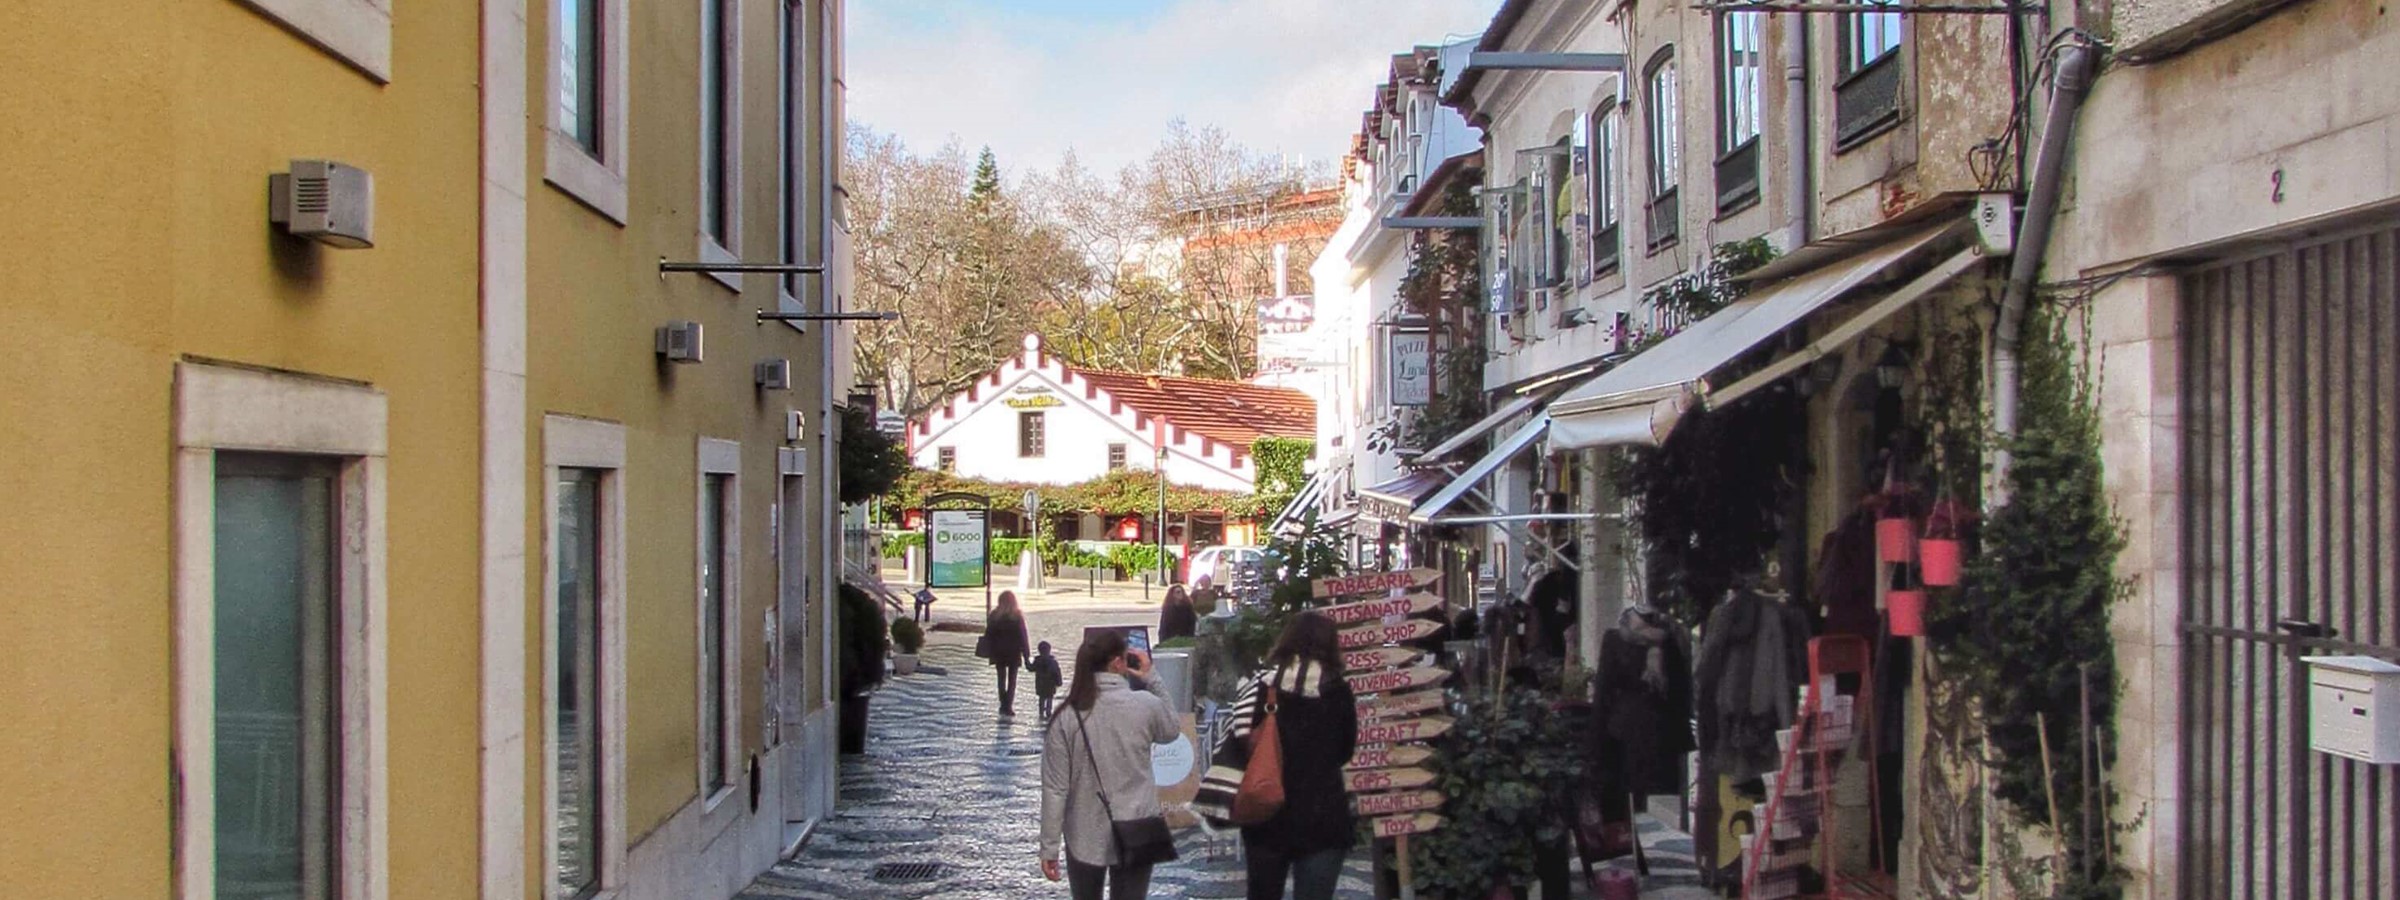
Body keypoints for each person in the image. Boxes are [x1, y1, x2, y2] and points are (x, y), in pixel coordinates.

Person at [1040, 630, 1181, 900]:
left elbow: (1055, 789)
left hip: (1083, 832)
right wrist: (1152, 678)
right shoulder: (1145, 705)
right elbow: (1172, 729)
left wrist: (1049, 848)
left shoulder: (1066, 717)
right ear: (1118, 663)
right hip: (1137, 824)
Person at [1237, 613, 1358, 900]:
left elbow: (1239, 741)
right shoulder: (1337, 692)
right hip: (1323, 818)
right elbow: (1346, 750)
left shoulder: (1261, 688)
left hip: (1266, 813)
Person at [987, 591, 1034, 718]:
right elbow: (1023, 637)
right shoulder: (1017, 616)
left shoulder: (994, 615)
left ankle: (1003, 704)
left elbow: (988, 634)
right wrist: (1026, 656)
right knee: (1012, 680)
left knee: (1001, 679)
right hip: (1013, 652)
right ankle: (1008, 706)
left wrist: (990, 650)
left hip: (998, 652)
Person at [1030, 640, 1064, 722]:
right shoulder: (1053, 662)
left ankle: (1041, 713)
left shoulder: (1037, 661)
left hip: (1041, 684)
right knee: (1049, 699)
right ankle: (1048, 713)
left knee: (1042, 699)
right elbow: (1057, 672)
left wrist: (1027, 661)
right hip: (1050, 685)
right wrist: (1059, 682)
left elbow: (1031, 668)